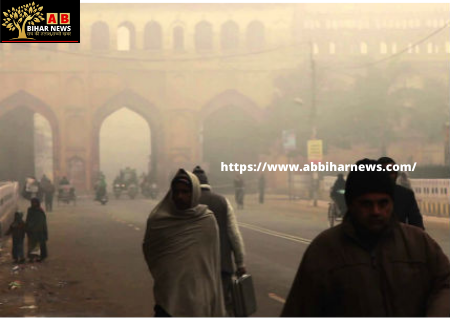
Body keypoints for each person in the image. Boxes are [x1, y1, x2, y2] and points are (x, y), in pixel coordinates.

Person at [281, 159, 450, 317]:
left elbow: (444, 284)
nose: (376, 211)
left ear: (392, 203)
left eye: (383, 203)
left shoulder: (418, 243)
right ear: (351, 204)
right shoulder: (324, 250)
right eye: (366, 204)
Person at [142, 169, 225, 317]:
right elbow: (151, 253)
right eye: (176, 191)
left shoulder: (206, 220)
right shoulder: (158, 220)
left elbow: (212, 263)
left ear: (194, 194)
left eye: (185, 192)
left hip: (199, 298)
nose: (180, 196)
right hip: (168, 298)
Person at [193, 165, 247, 316]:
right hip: (221, 266)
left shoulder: (187, 203)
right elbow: (234, 235)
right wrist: (240, 263)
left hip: (195, 268)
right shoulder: (222, 202)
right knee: (222, 306)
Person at [378, 157, 424, 229]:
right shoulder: (367, 195)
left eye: (391, 172)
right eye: (385, 172)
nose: (388, 176)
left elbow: (417, 225)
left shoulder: (406, 195)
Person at [26, 198, 48, 263]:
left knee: (39, 244)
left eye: (35, 203)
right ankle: (32, 257)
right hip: (32, 230)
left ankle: (40, 257)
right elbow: (28, 219)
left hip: (39, 231)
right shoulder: (30, 210)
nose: (34, 204)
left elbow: (42, 222)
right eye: (33, 203)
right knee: (32, 244)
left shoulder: (40, 211)